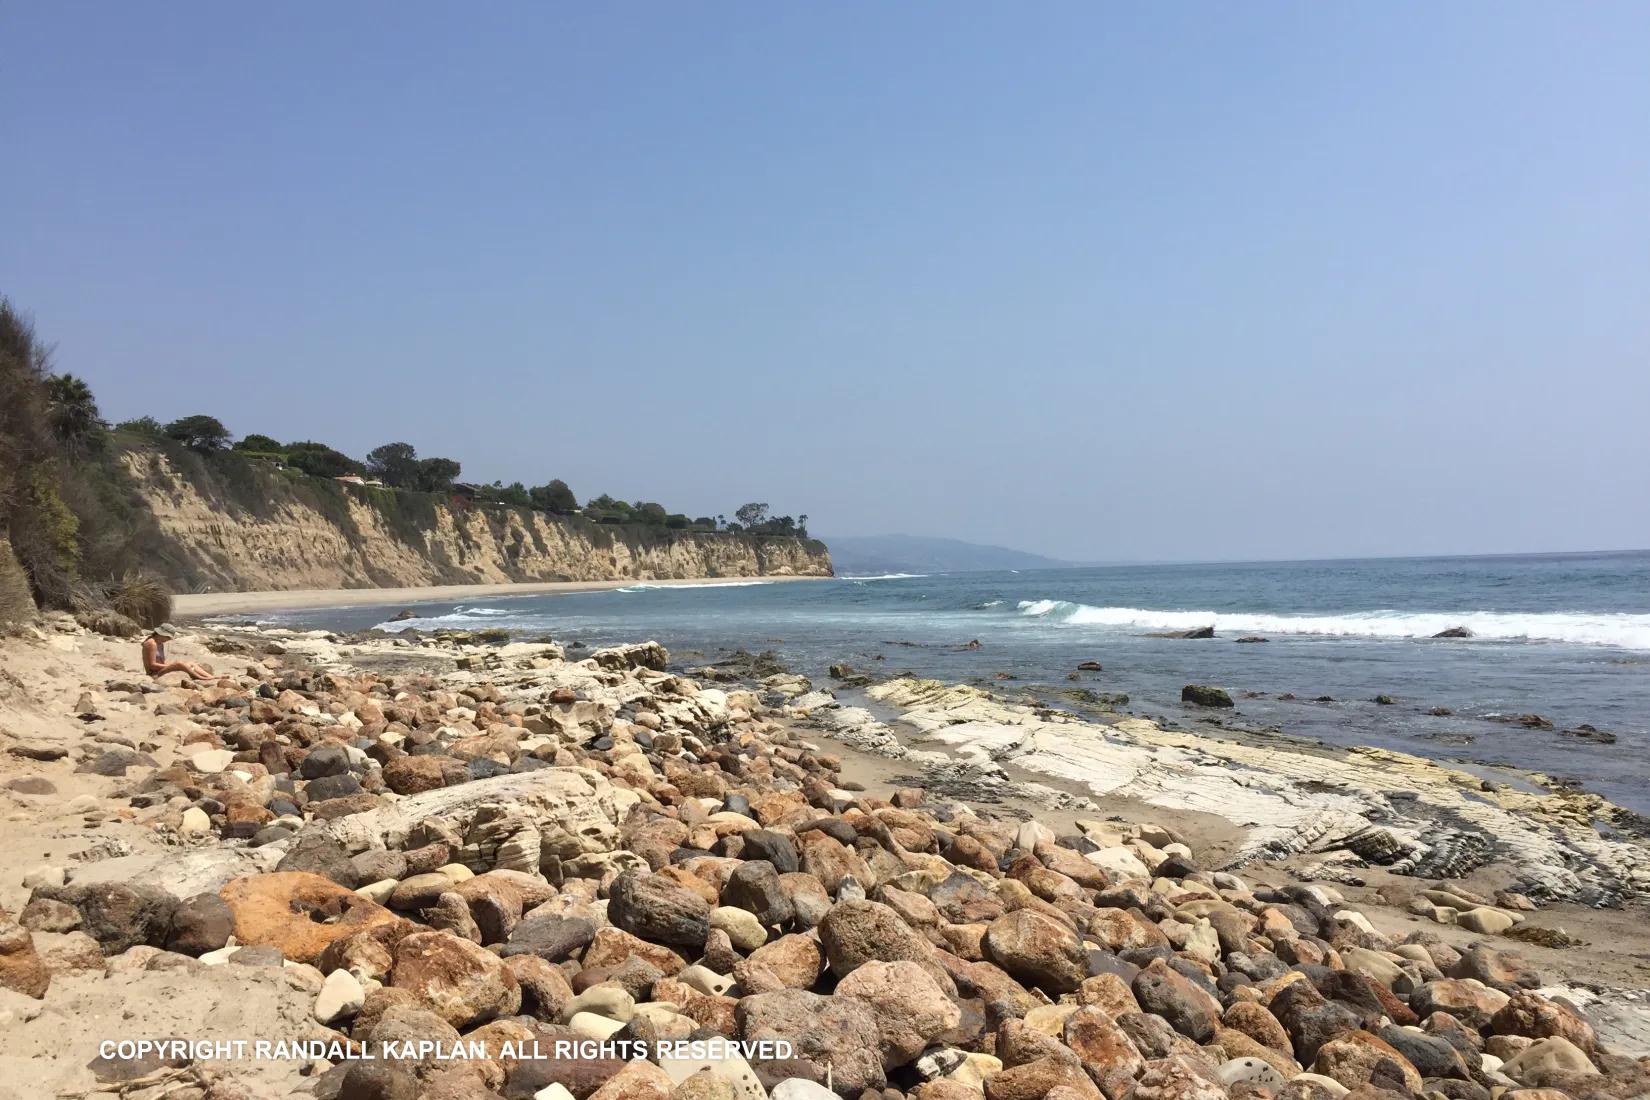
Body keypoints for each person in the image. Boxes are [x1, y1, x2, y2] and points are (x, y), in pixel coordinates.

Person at [141, 623, 217, 681]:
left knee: (190, 663)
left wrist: (172, 666)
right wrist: (174, 665)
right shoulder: (151, 643)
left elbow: (161, 662)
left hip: (159, 670)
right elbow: (152, 665)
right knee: (179, 663)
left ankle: (210, 676)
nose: (168, 639)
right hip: (154, 674)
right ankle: (201, 677)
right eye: (167, 637)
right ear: (161, 634)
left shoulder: (160, 644)